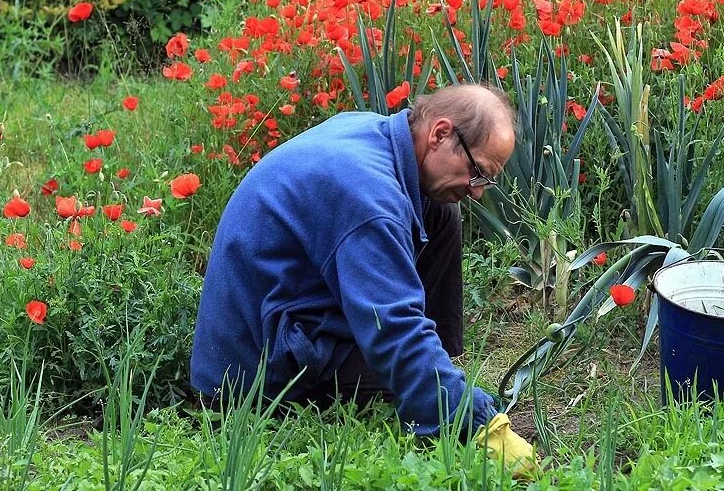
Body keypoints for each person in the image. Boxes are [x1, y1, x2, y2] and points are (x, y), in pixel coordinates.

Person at [190, 83, 517, 436]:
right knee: (412, 366)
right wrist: (473, 419)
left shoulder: (377, 135)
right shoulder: (369, 198)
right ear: (440, 134)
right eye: (477, 171)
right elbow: (392, 326)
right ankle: (437, 399)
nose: (478, 191)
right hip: (251, 376)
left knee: (443, 210)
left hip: (286, 312)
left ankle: (438, 367)